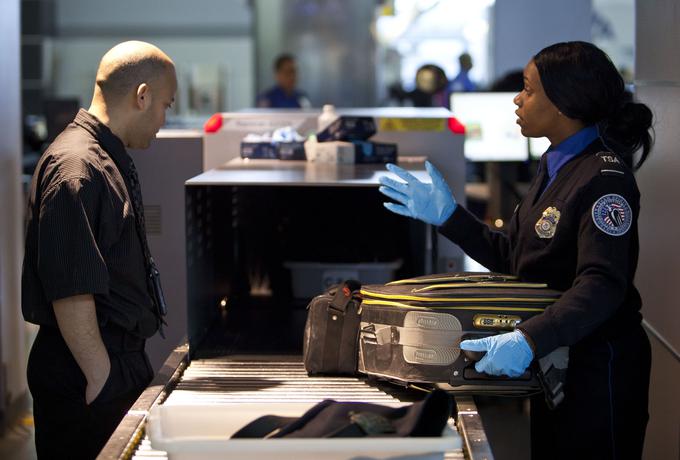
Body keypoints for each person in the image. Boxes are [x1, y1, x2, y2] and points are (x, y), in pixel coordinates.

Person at [379, 41, 653, 459]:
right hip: (554, 362)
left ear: (563, 102)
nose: (517, 99)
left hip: (598, 370)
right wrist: (451, 217)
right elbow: (521, 260)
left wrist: (528, 338)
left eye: (528, 89)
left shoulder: (604, 180)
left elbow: (602, 284)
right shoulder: (556, 163)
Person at [22, 41, 177, 459]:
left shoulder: (104, 156)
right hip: (88, 372)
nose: (165, 120)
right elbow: (71, 289)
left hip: (109, 364)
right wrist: (101, 378)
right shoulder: (78, 167)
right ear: (141, 96)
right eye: (165, 105)